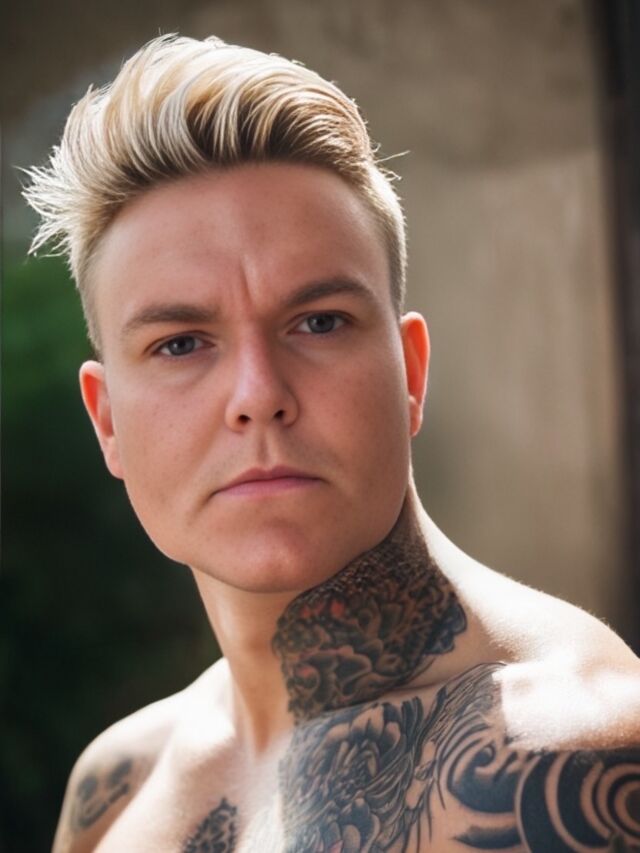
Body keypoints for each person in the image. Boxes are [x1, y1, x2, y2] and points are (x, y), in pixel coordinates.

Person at [24, 33, 640, 853]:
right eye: (181, 343)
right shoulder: (117, 786)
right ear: (107, 421)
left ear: (411, 372)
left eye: (318, 322)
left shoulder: (552, 762)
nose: (258, 394)